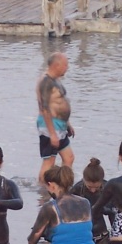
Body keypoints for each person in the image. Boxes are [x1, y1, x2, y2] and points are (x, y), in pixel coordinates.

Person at [36, 52, 75, 184]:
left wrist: (67, 123)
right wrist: (52, 134)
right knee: (49, 161)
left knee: (69, 158)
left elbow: (60, 103)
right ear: (56, 65)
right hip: (49, 126)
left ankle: (63, 186)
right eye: (65, 65)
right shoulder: (45, 82)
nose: (67, 68)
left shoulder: (56, 80)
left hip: (60, 125)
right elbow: (45, 108)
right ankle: (43, 191)